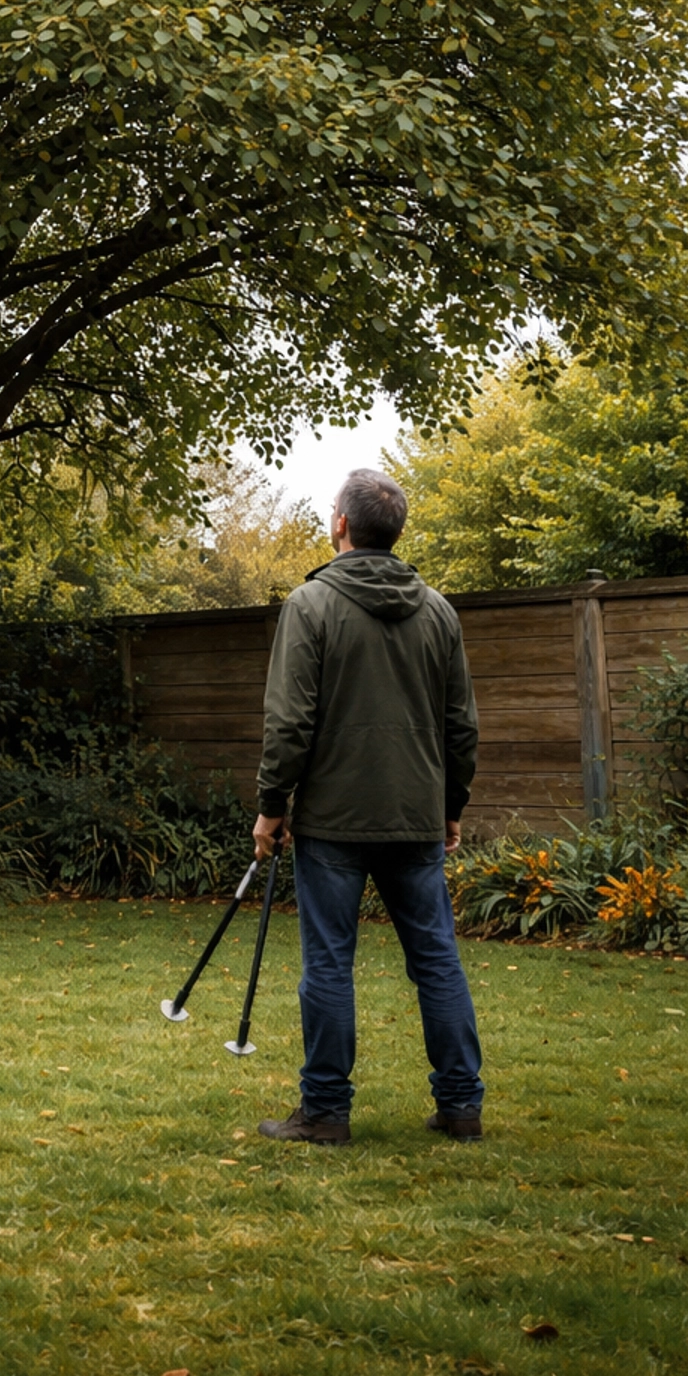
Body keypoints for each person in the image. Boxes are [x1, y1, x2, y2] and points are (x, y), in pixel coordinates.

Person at [251, 467, 483, 1146]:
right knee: (437, 958)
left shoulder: (310, 606)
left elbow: (287, 722)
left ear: (343, 526)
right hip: (414, 814)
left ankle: (325, 1112)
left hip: (332, 822)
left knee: (328, 962)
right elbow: (461, 726)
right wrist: (450, 803)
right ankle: (462, 1107)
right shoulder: (438, 611)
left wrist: (272, 804)